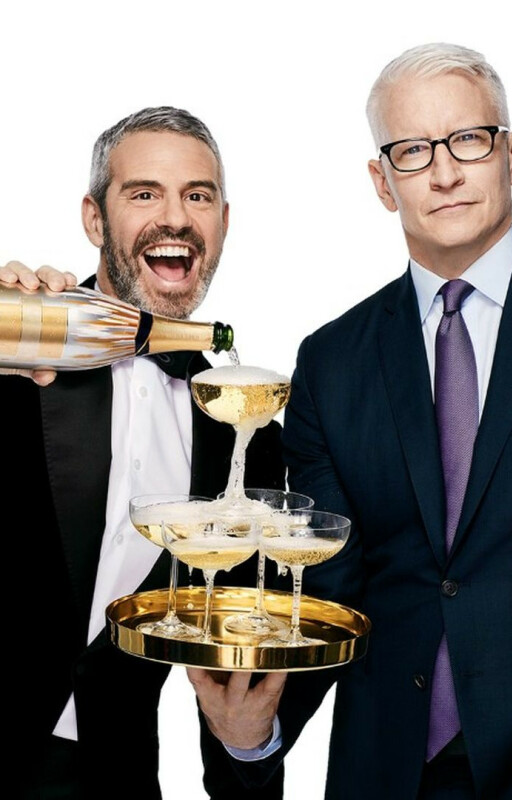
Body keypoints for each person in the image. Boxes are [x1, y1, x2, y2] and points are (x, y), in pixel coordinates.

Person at [189, 44, 512, 799]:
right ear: (383, 181)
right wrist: (252, 737)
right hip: (387, 773)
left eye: (468, 140)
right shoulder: (332, 361)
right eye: (412, 151)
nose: (444, 173)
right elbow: (329, 584)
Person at [1, 107, 285, 799]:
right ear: (94, 220)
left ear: (223, 222)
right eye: (144, 193)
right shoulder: (16, 346)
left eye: (198, 195)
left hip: (119, 779)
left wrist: (249, 755)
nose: (175, 218)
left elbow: (229, 651)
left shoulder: (244, 429)